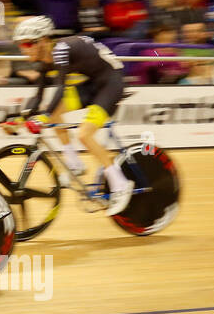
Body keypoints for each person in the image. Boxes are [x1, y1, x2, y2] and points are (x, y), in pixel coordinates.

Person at [11, 15, 134, 214]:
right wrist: (20, 118)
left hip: (111, 83)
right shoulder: (44, 59)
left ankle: (120, 184)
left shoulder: (61, 50)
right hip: (93, 84)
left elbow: (60, 88)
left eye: (27, 44)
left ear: (43, 41)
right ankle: (74, 163)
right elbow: (38, 96)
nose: (23, 49)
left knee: (84, 135)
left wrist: (42, 117)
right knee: (52, 114)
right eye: (20, 45)